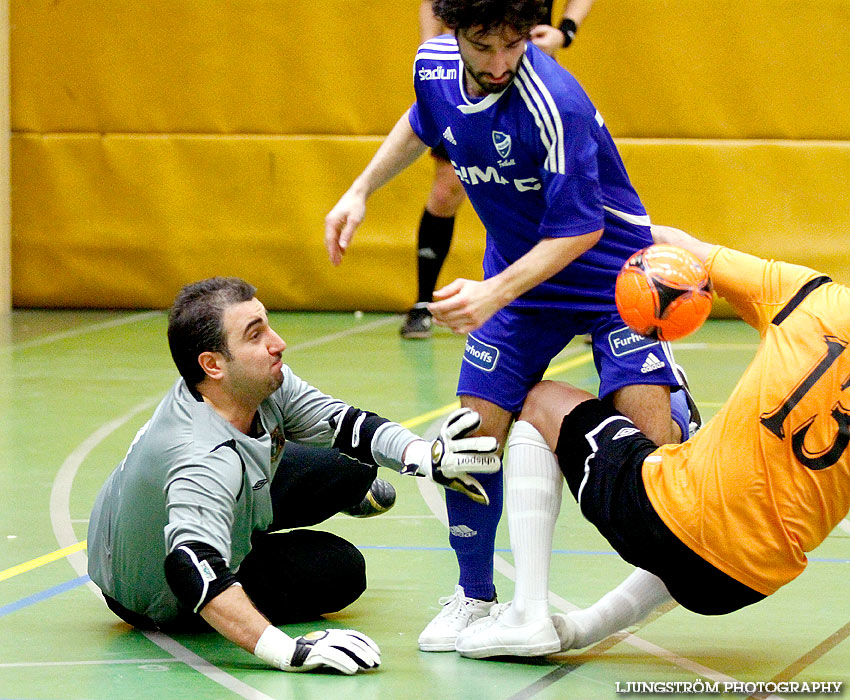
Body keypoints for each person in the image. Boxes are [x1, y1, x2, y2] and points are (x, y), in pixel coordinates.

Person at [324, 0, 697, 655]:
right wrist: (360, 190)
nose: (499, 64)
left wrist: (491, 292)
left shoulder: (556, 102)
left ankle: (676, 403)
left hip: (611, 280)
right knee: (471, 438)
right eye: (483, 45)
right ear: (455, 32)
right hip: (522, 288)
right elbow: (421, 122)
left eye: (513, 45)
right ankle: (474, 599)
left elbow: (580, 228)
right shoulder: (434, 65)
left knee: (647, 465)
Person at [456, 224, 850, 657]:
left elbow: (680, 246)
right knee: (714, 525)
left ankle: (527, 615)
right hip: (746, 582)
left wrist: (593, 239)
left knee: (543, 400)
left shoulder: (816, 299)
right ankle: (582, 629)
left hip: (669, 518)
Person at [87, 276, 500, 674]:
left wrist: (424, 456)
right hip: (158, 592)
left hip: (168, 516)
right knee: (342, 571)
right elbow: (192, 569)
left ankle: (324, 498)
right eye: (255, 335)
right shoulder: (201, 458)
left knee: (350, 462)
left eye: (267, 324)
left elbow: (344, 423)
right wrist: (289, 652)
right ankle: (245, 534)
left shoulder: (248, 384)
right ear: (212, 364)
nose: (278, 343)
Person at [401, 0, 597, 339]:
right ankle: (423, 302)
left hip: (522, 82)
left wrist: (564, 31)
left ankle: (594, 307)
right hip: (469, 83)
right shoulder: (442, 61)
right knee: (446, 191)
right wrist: (432, 48)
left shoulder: (552, 98)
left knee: (558, 199)